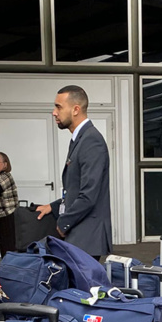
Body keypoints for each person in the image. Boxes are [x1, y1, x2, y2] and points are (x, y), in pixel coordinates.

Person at [36, 85, 111, 259]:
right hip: (79, 237)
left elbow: (88, 195)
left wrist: (63, 223)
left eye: (58, 107)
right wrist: (53, 207)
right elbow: (75, 188)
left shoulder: (91, 141)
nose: (54, 112)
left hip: (86, 239)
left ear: (76, 109)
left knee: (80, 286)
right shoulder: (80, 139)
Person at [0, 152, 19, 257]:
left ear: (5, 164)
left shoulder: (5, 177)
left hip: (7, 215)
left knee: (7, 245)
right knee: (2, 243)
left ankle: (9, 268)